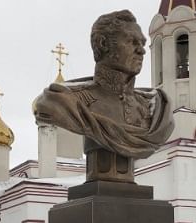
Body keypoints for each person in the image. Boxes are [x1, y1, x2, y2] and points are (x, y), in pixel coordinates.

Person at [34, 10, 174, 184]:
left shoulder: (156, 107)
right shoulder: (65, 100)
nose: (141, 51)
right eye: (131, 41)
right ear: (103, 44)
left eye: (143, 43)